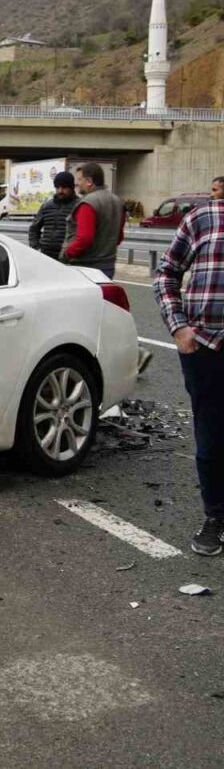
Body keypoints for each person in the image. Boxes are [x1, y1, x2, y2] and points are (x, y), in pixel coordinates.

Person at [153, 175, 224, 555]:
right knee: (212, 437)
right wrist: (179, 328)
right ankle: (215, 516)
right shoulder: (201, 218)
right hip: (206, 346)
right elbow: (166, 274)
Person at [61, 162, 125, 278]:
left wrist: (67, 254)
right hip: (108, 264)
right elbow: (119, 237)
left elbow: (84, 239)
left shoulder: (88, 203)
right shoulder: (117, 201)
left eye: (80, 180)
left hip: (86, 266)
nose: (77, 183)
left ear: (89, 181)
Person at [27, 171, 79, 260]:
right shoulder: (47, 206)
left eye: (64, 187)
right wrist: (36, 248)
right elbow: (34, 228)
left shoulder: (79, 206)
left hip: (68, 257)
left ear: (72, 188)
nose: (60, 190)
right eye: (57, 187)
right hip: (46, 256)